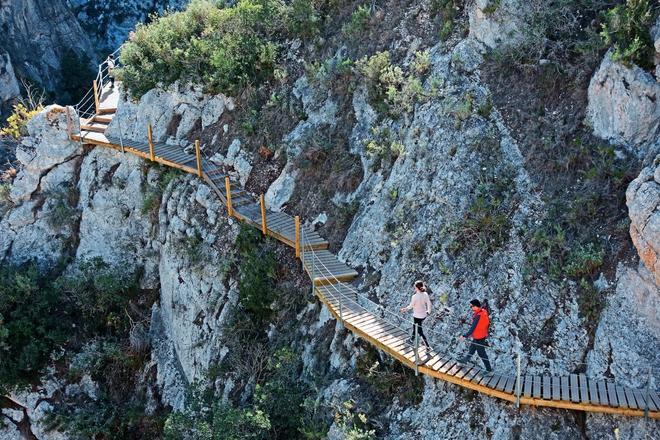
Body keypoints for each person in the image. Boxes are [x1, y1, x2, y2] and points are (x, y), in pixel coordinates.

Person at [458, 299, 492, 372]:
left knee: (482, 354)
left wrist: (464, 336)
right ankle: (464, 361)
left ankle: (489, 371)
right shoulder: (483, 311)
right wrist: (485, 302)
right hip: (480, 336)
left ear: (476, 306)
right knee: (471, 350)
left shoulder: (478, 316)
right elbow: (479, 324)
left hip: (479, 338)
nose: (471, 308)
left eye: (472, 306)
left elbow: (472, 328)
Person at [400, 280, 432, 350]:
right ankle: (411, 340)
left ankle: (428, 346)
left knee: (419, 331)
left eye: (415, 286)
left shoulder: (414, 296)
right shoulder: (425, 294)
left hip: (417, 316)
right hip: (424, 315)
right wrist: (428, 312)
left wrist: (404, 309)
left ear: (416, 287)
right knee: (415, 327)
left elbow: (411, 306)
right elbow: (429, 303)